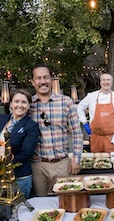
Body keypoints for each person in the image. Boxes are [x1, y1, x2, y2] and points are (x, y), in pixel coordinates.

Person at [29, 64, 83, 197]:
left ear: (52, 80)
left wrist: (76, 159)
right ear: (32, 82)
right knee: (41, 204)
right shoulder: (28, 105)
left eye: (46, 77)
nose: (43, 81)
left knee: (65, 201)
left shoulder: (66, 102)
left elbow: (76, 133)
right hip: (38, 166)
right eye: (38, 78)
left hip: (62, 164)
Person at [0, 89, 40, 198]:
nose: (19, 105)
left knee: (20, 212)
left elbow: (25, 154)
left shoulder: (31, 126)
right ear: (11, 104)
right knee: (0, 212)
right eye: (16, 101)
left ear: (29, 106)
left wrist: (4, 160)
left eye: (24, 102)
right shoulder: (1, 119)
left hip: (19, 177)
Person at [77, 73, 114, 152]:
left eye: (108, 80)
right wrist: (85, 123)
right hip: (96, 137)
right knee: (97, 161)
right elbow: (80, 107)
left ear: (111, 83)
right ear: (100, 82)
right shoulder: (91, 96)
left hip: (113, 138)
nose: (106, 82)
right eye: (103, 80)